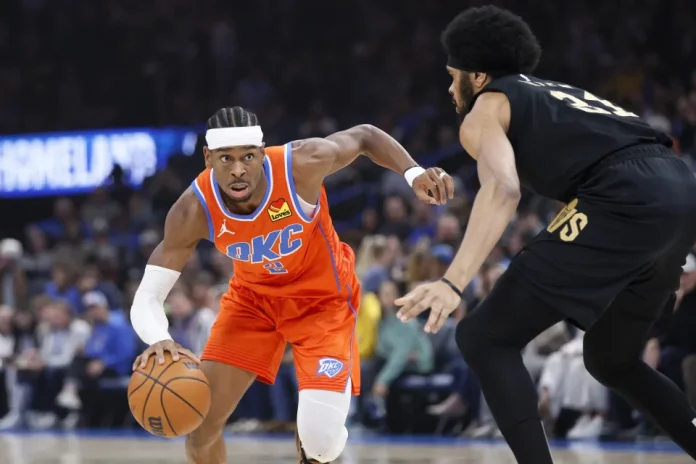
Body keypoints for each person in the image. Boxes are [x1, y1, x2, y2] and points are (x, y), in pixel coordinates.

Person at [395, 5, 696, 463]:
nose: (448, 87)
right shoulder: (557, 92)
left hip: (622, 195)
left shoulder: (485, 109)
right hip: (679, 189)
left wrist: (453, 282)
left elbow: (503, 188)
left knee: (483, 337)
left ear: (476, 77)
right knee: (611, 358)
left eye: (452, 75)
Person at [129, 106, 454, 464]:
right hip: (253, 304)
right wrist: (159, 337)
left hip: (322, 302)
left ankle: (315, 429)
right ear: (208, 157)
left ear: (263, 152)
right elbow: (148, 296)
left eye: (248, 157)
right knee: (201, 426)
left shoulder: (300, 163)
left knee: (320, 445)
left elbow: (364, 136)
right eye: (226, 159)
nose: (238, 170)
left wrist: (414, 173)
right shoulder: (192, 209)